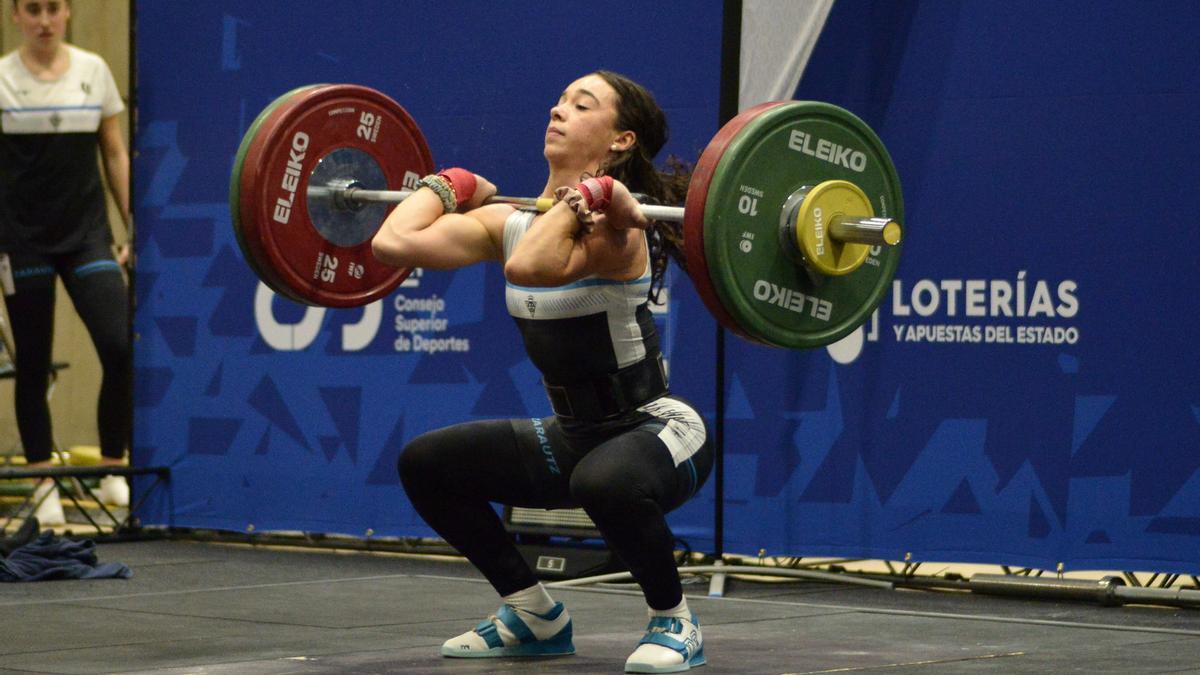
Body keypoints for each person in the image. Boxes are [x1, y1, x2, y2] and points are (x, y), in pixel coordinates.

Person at [372, 71, 713, 673]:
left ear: (621, 140)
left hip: (656, 430)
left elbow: (528, 265)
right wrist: (450, 183)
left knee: (604, 482)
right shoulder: (513, 220)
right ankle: (533, 613)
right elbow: (392, 242)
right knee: (426, 464)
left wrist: (593, 196)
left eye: (581, 106)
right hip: (575, 435)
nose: (558, 111)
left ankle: (675, 620)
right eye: (558, 102)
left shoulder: (617, 231)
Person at [1, 0, 132, 525]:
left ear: (68, 14)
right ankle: (41, 480)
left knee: (119, 347)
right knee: (33, 362)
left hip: (87, 239)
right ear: (16, 16)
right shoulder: (2, 79)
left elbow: (115, 152)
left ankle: (113, 467)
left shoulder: (93, 71)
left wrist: (132, 224)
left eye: (53, 8)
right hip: (22, 242)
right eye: (32, 10)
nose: (44, 20)